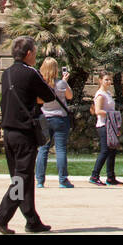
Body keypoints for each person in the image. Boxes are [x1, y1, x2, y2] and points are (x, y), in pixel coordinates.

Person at [0, 36, 59, 233]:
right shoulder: (31, 73)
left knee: (20, 178)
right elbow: (49, 96)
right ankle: (0, 216)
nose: (36, 55)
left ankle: (32, 220)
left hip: (8, 133)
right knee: (22, 179)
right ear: (28, 53)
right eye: (35, 52)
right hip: (24, 133)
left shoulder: (6, 73)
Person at [35, 58, 73, 189]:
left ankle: (40, 181)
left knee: (43, 149)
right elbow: (70, 96)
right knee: (61, 149)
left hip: (45, 118)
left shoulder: (41, 85)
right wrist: (65, 81)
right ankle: (63, 180)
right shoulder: (61, 84)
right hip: (60, 118)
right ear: (56, 69)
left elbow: (38, 101)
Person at [89, 72, 123, 187]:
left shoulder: (108, 93)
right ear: (100, 80)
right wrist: (112, 114)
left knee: (112, 151)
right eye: (106, 80)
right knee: (105, 151)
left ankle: (111, 177)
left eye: (110, 80)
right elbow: (98, 111)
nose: (109, 82)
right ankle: (94, 176)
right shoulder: (100, 95)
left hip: (110, 126)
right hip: (103, 126)